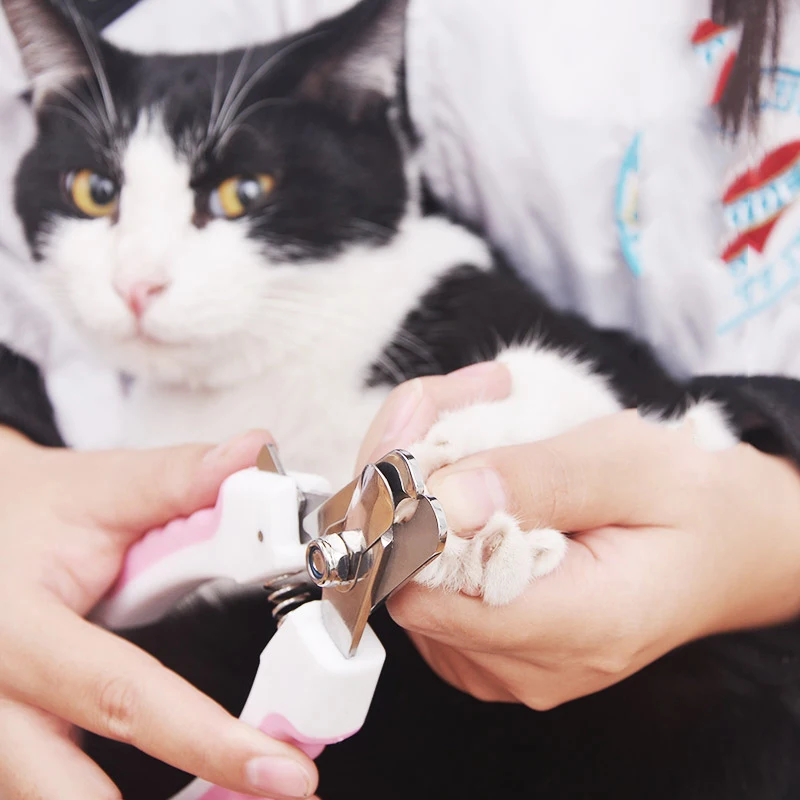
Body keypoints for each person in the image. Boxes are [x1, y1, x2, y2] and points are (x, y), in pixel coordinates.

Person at [2, 0, 800, 798]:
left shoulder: (458, 333)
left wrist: (762, 538)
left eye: (236, 196)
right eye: (98, 194)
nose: (137, 276)